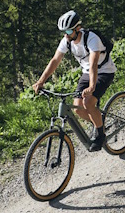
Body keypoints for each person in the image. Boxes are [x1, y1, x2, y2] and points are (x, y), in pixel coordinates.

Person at [34, 10, 114, 149]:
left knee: (88, 102)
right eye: (63, 32)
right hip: (87, 73)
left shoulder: (92, 38)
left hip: (104, 71)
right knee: (78, 108)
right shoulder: (67, 41)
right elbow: (55, 60)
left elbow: (93, 63)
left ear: (78, 28)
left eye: (69, 31)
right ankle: (99, 123)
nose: (66, 34)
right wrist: (41, 81)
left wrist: (92, 87)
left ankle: (101, 135)